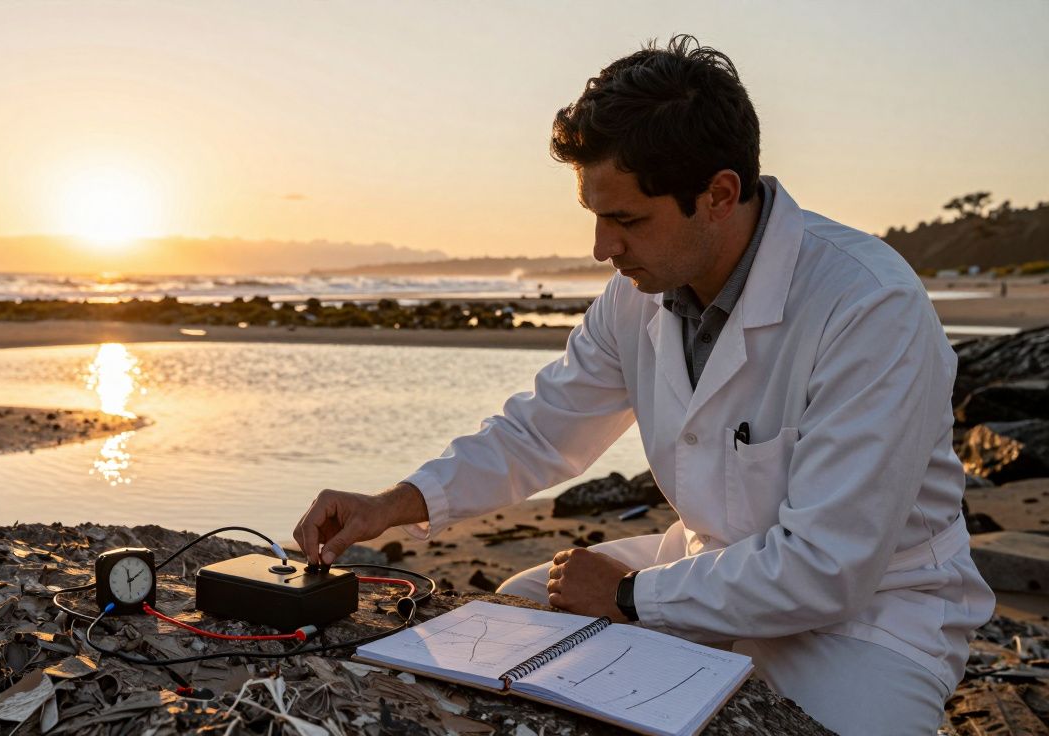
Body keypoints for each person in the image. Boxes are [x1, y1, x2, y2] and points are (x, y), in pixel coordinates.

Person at [292, 35, 994, 735]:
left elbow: (827, 568)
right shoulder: (638, 293)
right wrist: (390, 504)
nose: (602, 248)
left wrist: (629, 596)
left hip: (871, 615)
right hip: (704, 564)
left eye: (626, 220)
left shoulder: (868, 305)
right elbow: (539, 431)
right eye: (596, 216)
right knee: (515, 614)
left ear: (719, 195)